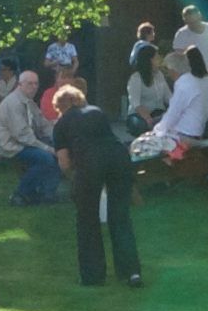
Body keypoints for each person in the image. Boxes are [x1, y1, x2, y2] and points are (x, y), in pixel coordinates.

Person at [51, 82, 143, 287]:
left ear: (60, 107)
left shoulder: (61, 125)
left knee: (87, 219)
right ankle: (131, 272)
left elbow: (64, 161)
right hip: (118, 157)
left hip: (90, 163)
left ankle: (93, 275)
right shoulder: (96, 111)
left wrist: (74, 178)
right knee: (120, 217)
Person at [0, 67, 57, 203]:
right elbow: (23, 136)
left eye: (36, 84)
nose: (34, 87)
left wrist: (57, 137)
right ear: (20, 85)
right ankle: (20, 194)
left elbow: (43, 124)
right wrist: (49, 148)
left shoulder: (29, 101)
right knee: (46, 158)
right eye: (29, 83)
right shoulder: (13, 103)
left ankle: (47, 193)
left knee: (59, 149)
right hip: (11, 145)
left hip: (26, 142)